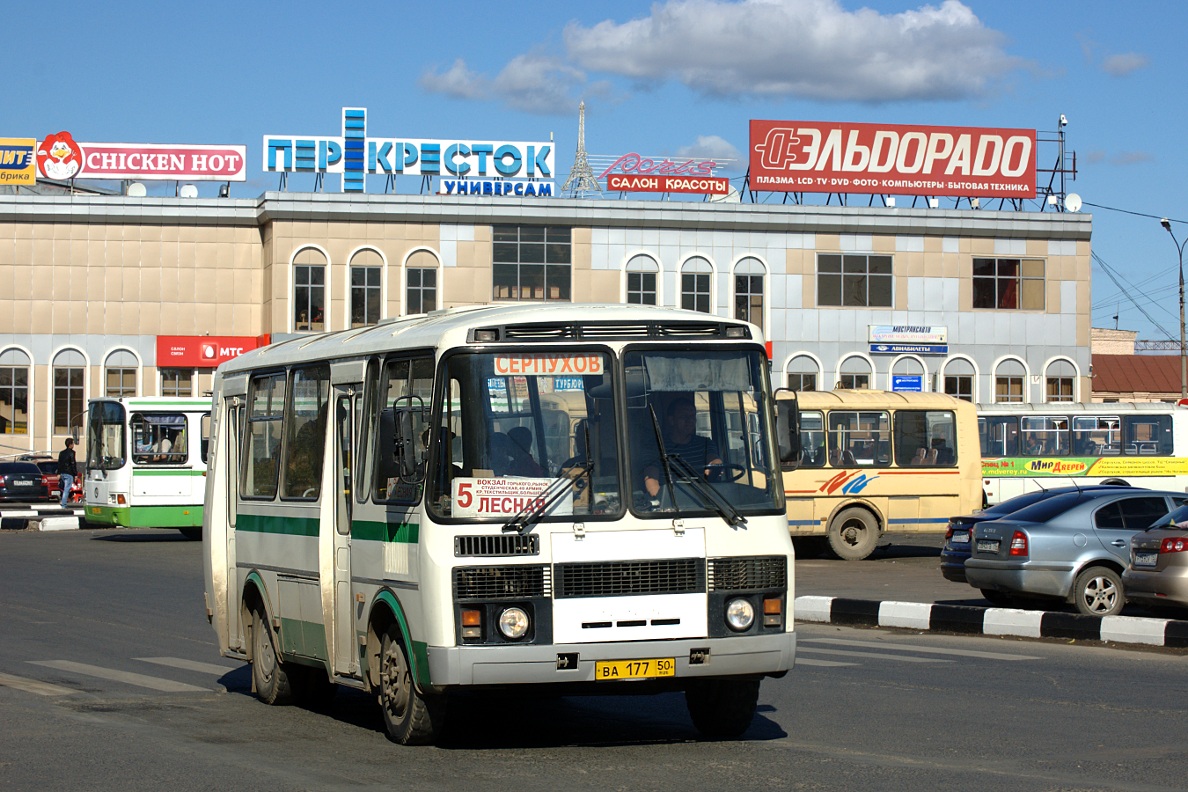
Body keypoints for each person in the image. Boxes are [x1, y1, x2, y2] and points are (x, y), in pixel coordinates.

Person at [643, 397, 722, 498]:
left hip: (705, 501)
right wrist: (661, 503)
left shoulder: (705, 443)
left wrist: (715, 466)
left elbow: (714, 460)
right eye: (684, 416)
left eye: (692, 416)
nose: (690, 420)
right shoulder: (656, 446)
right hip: (671, 502)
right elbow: (651, 479)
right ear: (671, 420)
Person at [57, 437, 78, 508]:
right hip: (69, 473)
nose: (73, 445)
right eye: (73, 443)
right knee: (67, 489)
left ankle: (63, 501)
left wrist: (59, 473)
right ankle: (63, 504)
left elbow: (59, 463)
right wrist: (75, 474)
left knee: (64, 488)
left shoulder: (61, 453)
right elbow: (73, 464)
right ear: (70, 444)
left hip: (62, 473)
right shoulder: (72, 453)